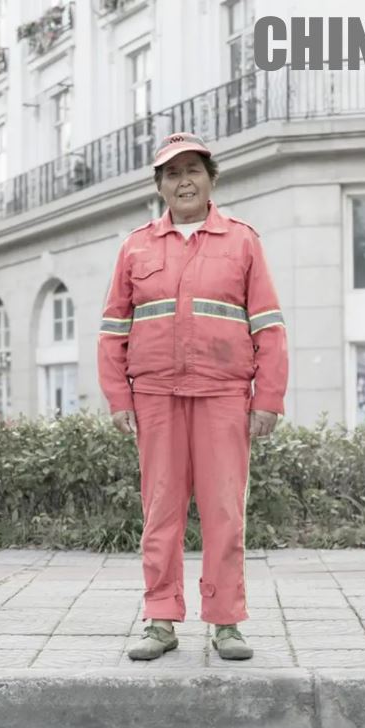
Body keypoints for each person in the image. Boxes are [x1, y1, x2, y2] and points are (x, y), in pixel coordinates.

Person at [96, 132, 288, 662]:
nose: (184, 180)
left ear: (211, 179)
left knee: (226, 511)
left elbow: (268, 325)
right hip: (156, 395)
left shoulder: (242, 241)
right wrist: (119, 398)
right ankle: (161, 619)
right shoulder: (135, 246)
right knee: (161, 512)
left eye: (193, 170)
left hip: (223, 394)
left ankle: (226, 622)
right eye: (172, 172)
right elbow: (114, 328)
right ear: (160, 186)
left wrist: (267, 397)